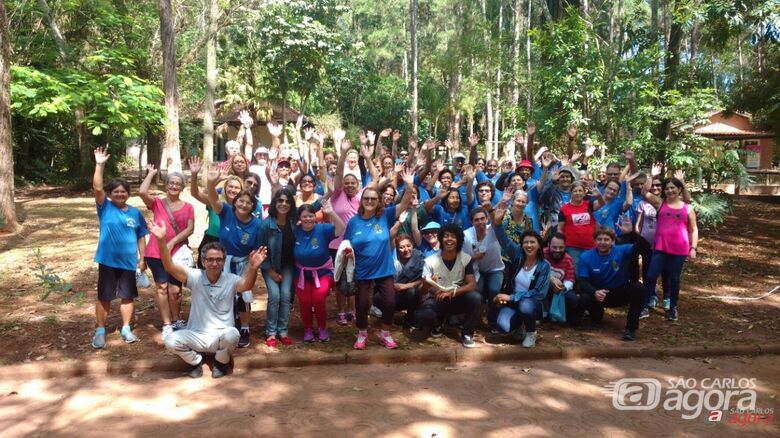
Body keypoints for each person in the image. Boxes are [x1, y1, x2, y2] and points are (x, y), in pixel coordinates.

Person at [149, 219, 267, 379]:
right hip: (196, 336)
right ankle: (195, 361)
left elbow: (246, 285)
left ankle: (220, 362)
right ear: (203, 262)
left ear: (223, 262)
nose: (214, 263)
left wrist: (253, 268)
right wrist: (161, 240)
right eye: (210, 259)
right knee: (171, 340)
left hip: (221, 337)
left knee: (233, 334)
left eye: (218, 260)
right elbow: (169, 266)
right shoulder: (194, 276)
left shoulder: (231, 279)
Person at [343, 169, 415, 350]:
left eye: (373, 199)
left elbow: (405, 204)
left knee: (390, 302)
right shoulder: (353, 222)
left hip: (384, 269)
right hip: (362, 270)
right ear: (362, 200)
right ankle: (362, 334)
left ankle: (385, 333)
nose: (369, 201)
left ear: (378, 202)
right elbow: (346, 244)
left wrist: (409, 184)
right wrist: (347, 253)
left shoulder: (385, 215)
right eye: (366, 198)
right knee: (361, 304)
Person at [90, 147, 148, 349]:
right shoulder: (104, 206)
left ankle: (125, 328)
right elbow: (97, 188)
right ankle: (100, 331)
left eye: (123, 192)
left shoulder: (135, 213)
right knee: (104, 297)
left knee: (127, 296)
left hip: (128, 263)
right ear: (110, 194)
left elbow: (141, 236)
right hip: (107, 261)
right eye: (116, 192)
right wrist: (100, 164)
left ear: (128, 194)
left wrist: (142, 258)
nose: (120, 194)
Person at [205, 164, 263, 348]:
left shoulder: (256, 225)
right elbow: (213, 199)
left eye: (248, 203)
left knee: (242, 296)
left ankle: (244, 327)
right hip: (222, 261)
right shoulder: (226, 212)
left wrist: (250, 269)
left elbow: (254, 251)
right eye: (241, 201)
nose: (244, 205)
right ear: (235, 202)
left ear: (253, 206)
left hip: (242, 262)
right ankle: (224, 325)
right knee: (221, 293)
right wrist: (211, 182)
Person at [139, 165, 195, 340]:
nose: (174, 186)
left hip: (177, 253)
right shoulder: (157, 203)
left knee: (175, 290)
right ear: (166, 185)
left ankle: (177, 320)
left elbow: (190, 229)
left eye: (178, 184)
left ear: (182, 187)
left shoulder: (188, 207)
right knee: (162, 288)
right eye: (171, 183)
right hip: (156, 252)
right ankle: (166, 324)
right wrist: (151, 174)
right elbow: (142, 192)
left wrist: (171, 242)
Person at [574, 223, 646, 341]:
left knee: (639, 288)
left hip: (620, 292)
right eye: (599, 239)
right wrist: (595, 292)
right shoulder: (585, 257)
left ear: (612, 241)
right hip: (600, 294)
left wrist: (632, 233)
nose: (602, 242)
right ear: (595, 241)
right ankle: (596, 318)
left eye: (606, 239)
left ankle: (630, 329)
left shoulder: (622, 250)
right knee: (584, 297)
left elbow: (644, 247)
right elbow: (583, 282)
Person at [492, 206, 551, 348]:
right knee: (502, 326)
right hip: (515, 301)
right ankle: (520, 326)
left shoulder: (544, 265)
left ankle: (531, 332)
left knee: (525, 306)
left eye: (532, 242)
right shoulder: (518, 255)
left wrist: (512, 297)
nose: (529, 245)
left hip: (533, 304)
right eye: (526, 242)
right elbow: (504, 241)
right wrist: (498, 223)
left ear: (539, 245)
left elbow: (539, 293)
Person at [641, 176, 698, 321]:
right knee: (650, 276)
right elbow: (644, 192)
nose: (670, 190)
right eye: (667, 188)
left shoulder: (688, 208)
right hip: (660, 247)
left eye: (673, 188)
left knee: (674, 278)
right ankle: (644, 306)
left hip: (679, 249)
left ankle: (672, 308)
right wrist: (651, 177)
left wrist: (693, 248)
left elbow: (694, 229)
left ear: (679, 190)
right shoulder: (660, 203)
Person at [416, 223, 481, 348]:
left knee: (475, 297)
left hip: (458, 298)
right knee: (423, 315)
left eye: (453, 236)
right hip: (438, 299)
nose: (449, 239)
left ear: (459, 240)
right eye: (446, 236)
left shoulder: (465, 258)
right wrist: (426, 285)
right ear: (441, 239)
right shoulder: (430, 261)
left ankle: (467, 333)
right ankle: (437, 323)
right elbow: (421, 291)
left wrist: (452, 292)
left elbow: (472, 285)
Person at [294, 201, 345, 343]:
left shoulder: (323, 229)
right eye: (304, 216)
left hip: (323, 272)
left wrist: (331, 213)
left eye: (311, 216)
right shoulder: (295, 231)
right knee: (304, 300)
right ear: (299, 218)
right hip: (302, 273)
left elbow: (341, 229)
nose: (308, 219)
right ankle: (308, 329)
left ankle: (322, 328)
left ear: (315, 216)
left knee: (317, 298)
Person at [258, 188, 298, 347]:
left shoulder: (293, 222)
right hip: (270, 266)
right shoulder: (266, 225)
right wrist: (270, 271)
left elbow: (313, 208)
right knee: (275, 296)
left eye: (287, 201)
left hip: (288, 265)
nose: (284, 204)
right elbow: (261, 250)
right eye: (280, 200)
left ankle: (283, 331)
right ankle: (271, 332)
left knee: (286, 295)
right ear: (275, 203)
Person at [189, 157, 243, 268]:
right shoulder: (215, 202)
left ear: (241, 190)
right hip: (210, 240)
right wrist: (194, 175)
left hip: (229, 244)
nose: (233, 190)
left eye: (236, 188)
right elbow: (195, 193)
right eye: (230, 186)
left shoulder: (242, 208)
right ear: (225, 187)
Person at [463, 207, 505, 330]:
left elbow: (496, 221)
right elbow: (464, 260)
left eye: (482, 219)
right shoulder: (467, 235)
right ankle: (473, 320)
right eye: (476, 220)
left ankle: (493, 323)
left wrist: (492, 209)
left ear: (487, 219)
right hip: (477, 270)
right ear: (472, 222)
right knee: (476, 293)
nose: (480, 222)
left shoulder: (493, 230)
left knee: (494, 291)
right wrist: (475, 257)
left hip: (496, 269)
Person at [557, 181, 599, 269]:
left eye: (580, 191)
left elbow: (602, 204)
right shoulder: (564, 209)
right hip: (572, 247)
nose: (578, 193)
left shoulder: (589, 205)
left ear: (584, 193)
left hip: (590, 245)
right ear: (571, 193)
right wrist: (560, 244)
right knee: (576, 272)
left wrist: (598, 195)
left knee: (591, 269)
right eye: (575, 191)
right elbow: (560, 229)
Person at [392, 234, 425, 328]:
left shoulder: (419, 257)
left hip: (413, 294)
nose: (406, 249)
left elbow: (424, 279)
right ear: (397, 249)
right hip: (396, 294)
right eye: (401, 247)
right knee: (378, 297)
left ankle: (410, 318)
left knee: (412, 292)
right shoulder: (394, 260)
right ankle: (388, 315)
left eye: (408, 246)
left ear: (412, 245)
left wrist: (404, 286)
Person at [543, 233, 576, 321]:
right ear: (548, 245)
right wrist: (551, 280)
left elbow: (570, 279)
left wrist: (563, 287)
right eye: (554, 247)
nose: (557, 250)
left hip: (561, 288)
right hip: (544, 286)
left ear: (565, 246)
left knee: (572, 298)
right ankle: (543, 314)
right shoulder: (542, 254)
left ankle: (566, 317)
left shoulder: (568, 259)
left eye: (561, 247)